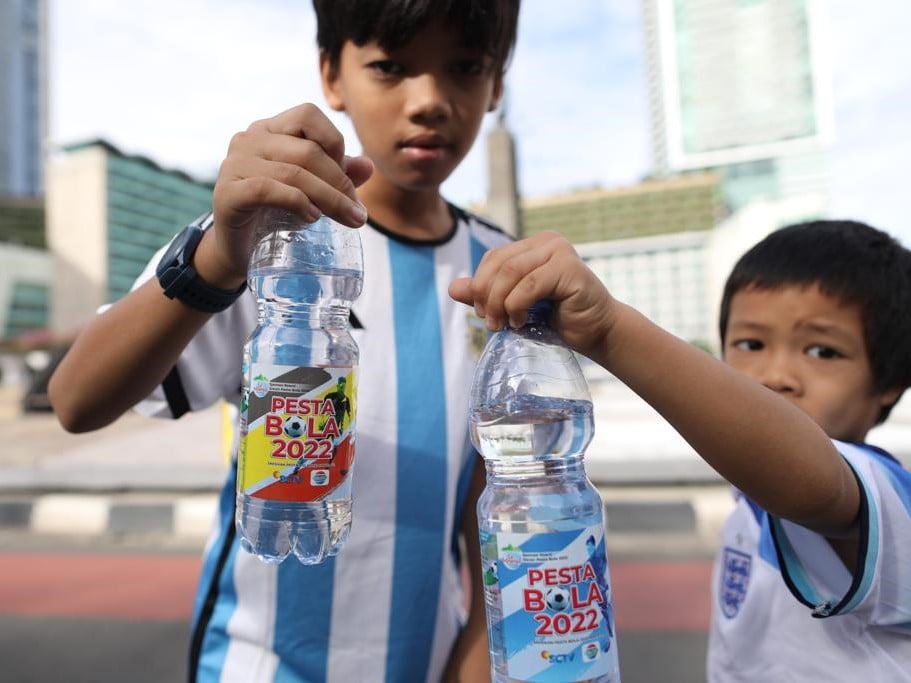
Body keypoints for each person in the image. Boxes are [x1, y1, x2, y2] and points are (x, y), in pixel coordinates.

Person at [48, 1, 521, 681]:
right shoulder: (261, 237)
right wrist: (216, 259)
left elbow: (494, 523)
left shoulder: (500, 270)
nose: (428, 101)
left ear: (496, 83)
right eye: (390, 66)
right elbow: (76, 398)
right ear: (331, 74)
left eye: (464, 67)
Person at [449, 221, 911, 681]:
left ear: (891, 383)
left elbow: (815, 488)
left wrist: (609, 330)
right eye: (751, 343)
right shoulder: (748, 510)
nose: (776, 375)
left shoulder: (884, 501)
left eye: (822, 351)